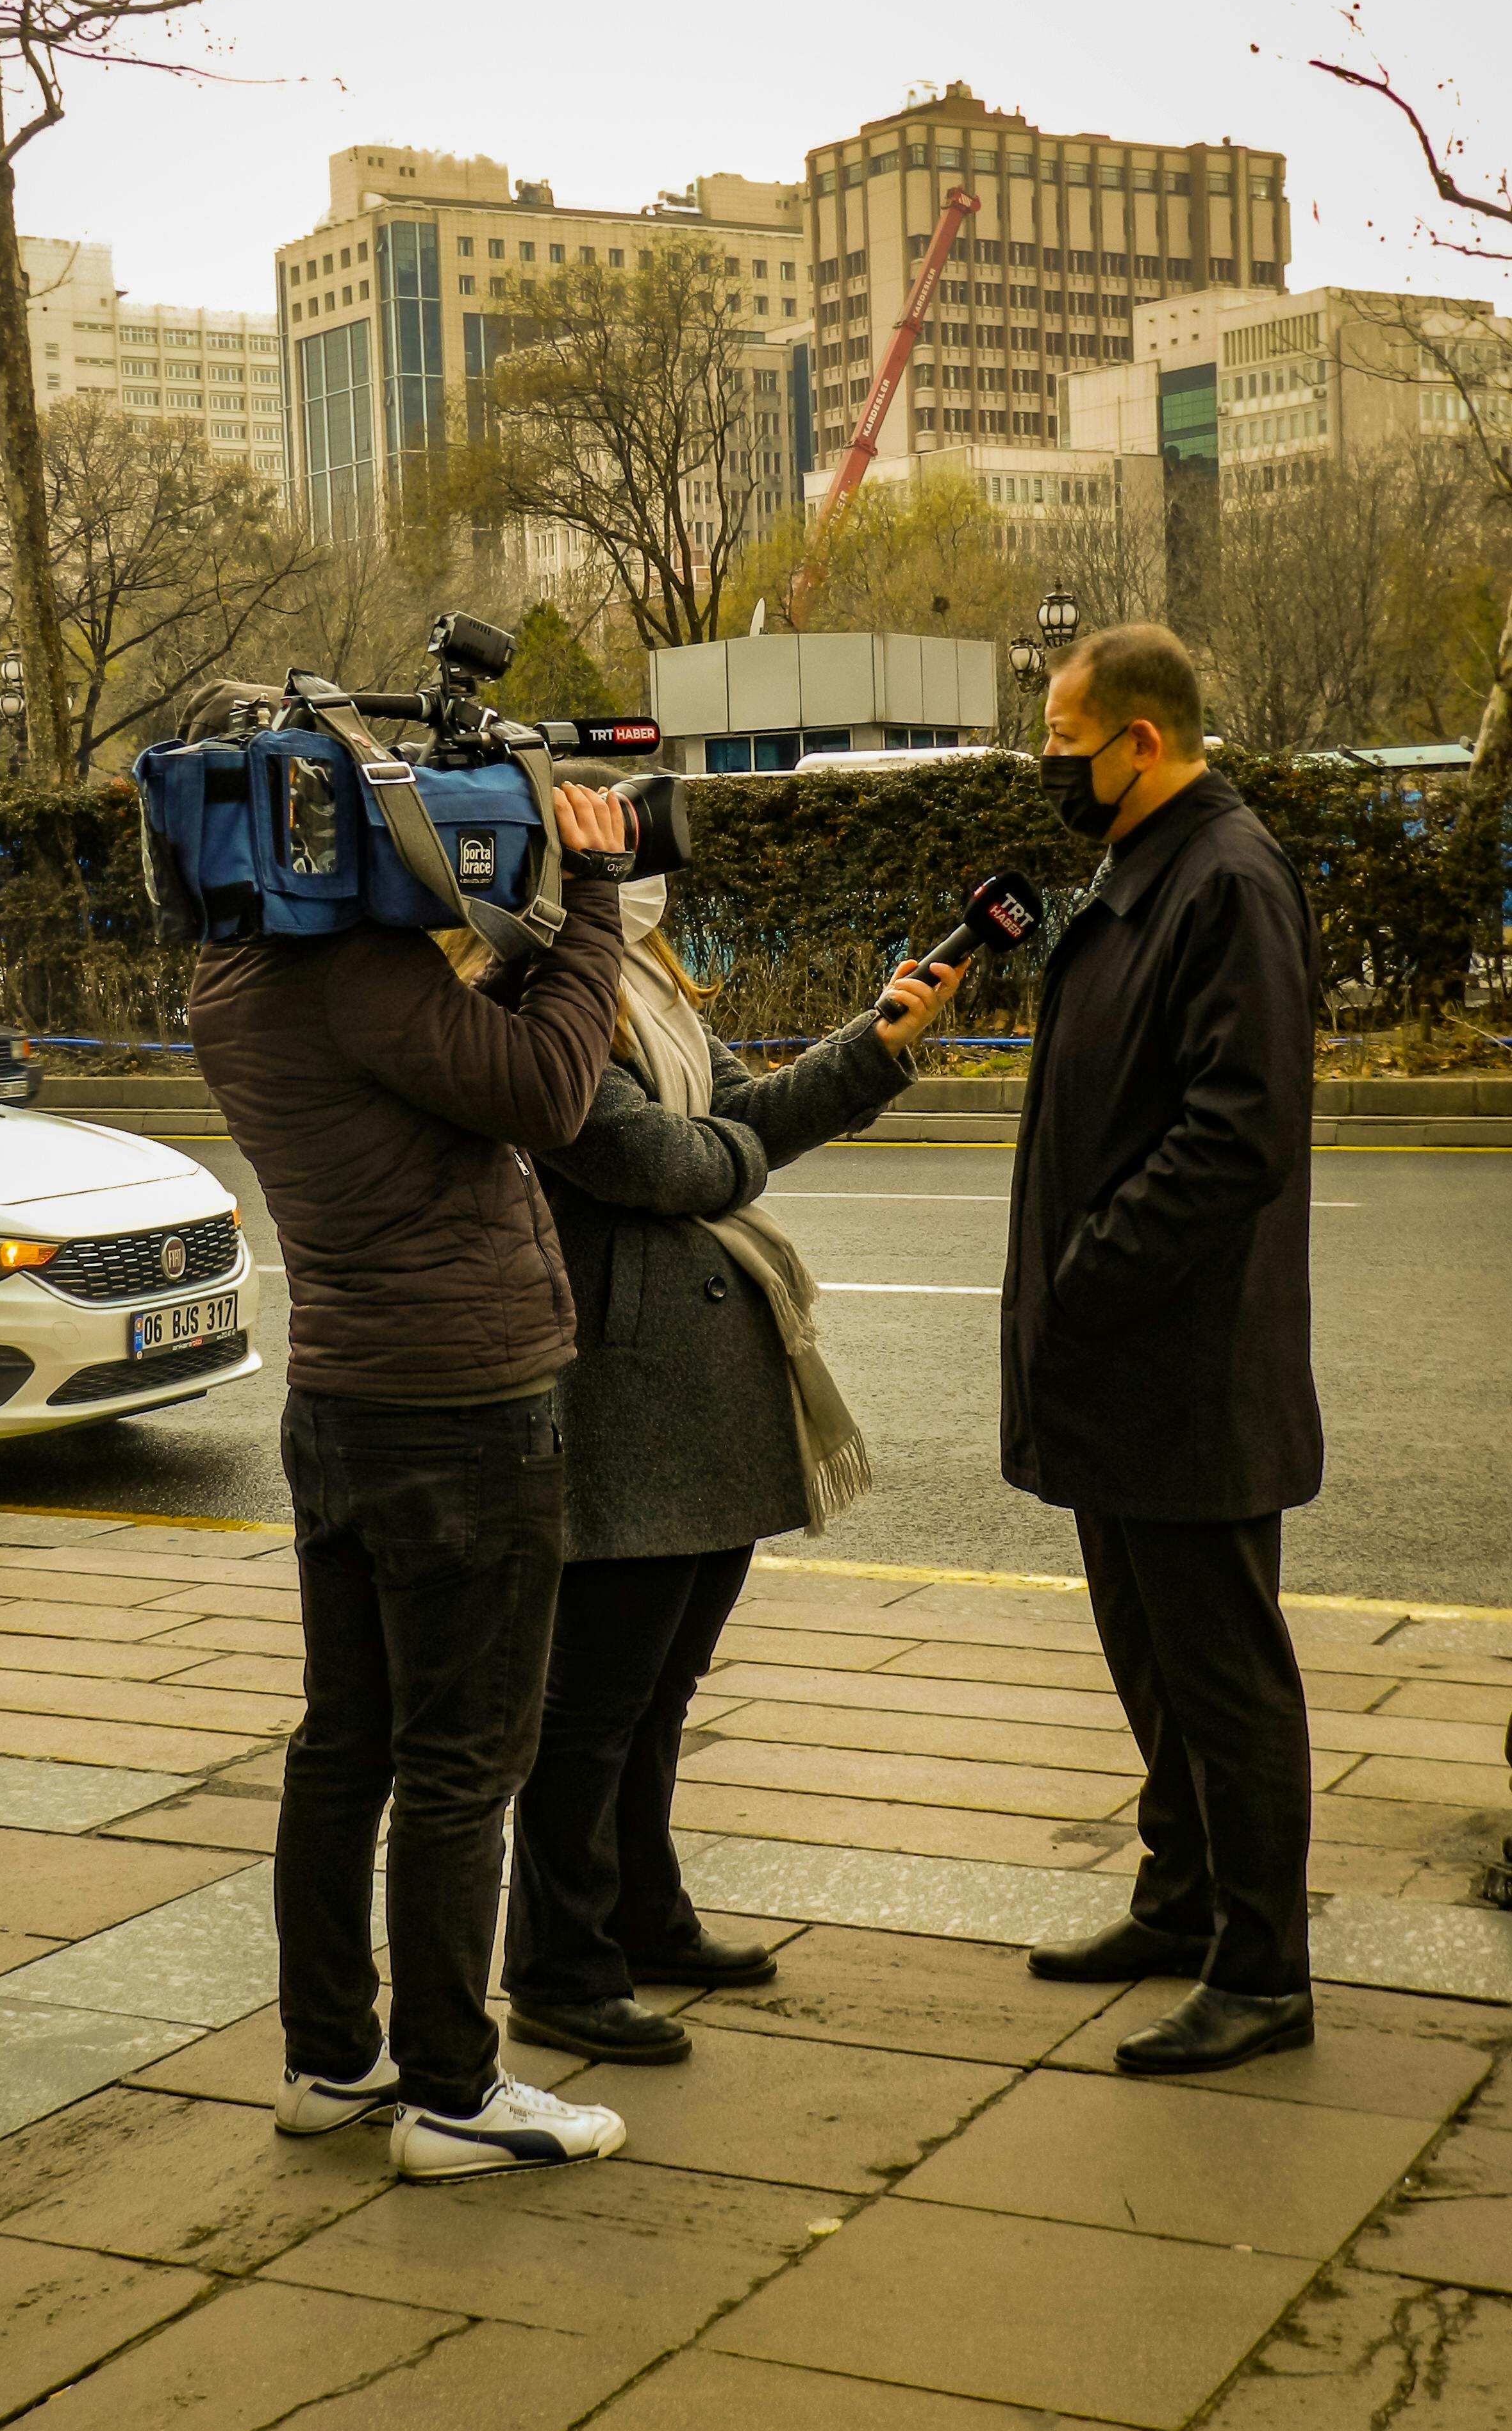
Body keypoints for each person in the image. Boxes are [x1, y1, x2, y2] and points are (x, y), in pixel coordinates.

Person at [190, 781, 636, 2183]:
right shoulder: (364, 977)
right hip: (463, 1404)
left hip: (343, 1400)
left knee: (346, 1743)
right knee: (463, 1761)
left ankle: (333, 2056)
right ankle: (454, 2088)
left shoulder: (236, 971)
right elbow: (550, 1088)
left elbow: (434, 1048)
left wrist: (502, 943)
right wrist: (597, 895)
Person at [499, 854, 963, 2062]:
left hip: (697, 1399)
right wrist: (723, 1156)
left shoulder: (644, 985)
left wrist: (874, 1043)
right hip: (624, 1399)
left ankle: (642, 1916)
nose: (649, 879)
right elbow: (656, 1161)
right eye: (620, 855)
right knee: (591, 1706)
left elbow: (730, 1125)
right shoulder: (531, 994)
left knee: (659, 1693)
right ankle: (557, 1964)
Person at [1002, 622, 1323, 2077]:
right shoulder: (1150, 866)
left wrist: (1095, 1267)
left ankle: (1261, 1970)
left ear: (1142, 740)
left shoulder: (1228, 877)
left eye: (1066, 743)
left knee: (1224, 1674)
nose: (1048, 766)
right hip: (1122, 1368)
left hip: (1183, 1364)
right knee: (1152, 1659)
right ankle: (1179, 1897)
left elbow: (1238, 1127)